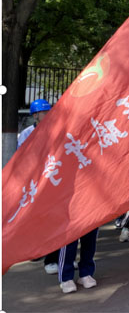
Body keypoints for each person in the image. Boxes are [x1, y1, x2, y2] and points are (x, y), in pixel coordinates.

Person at [18, 99, 65, 275]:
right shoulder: (27, 134)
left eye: (48, 111)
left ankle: (56, 258)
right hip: (35, 183)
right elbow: (22, 158)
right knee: (37, 219)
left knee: (56, 219)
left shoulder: (57, 131)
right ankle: (37, 250)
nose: (47, 115)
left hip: (54, 181)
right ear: (35, 115)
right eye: (44, 112)